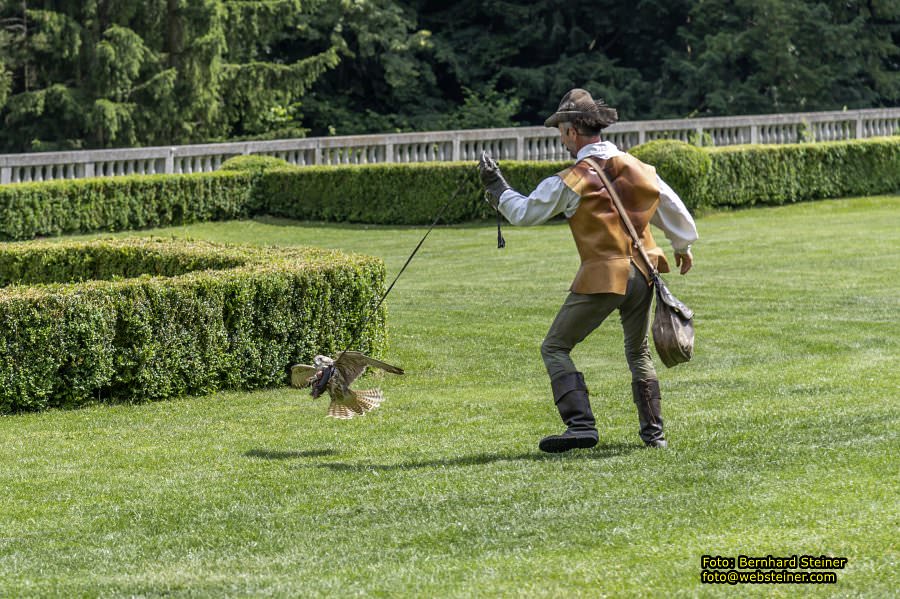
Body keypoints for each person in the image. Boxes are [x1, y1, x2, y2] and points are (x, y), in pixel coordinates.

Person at [478, 88, 698, 453]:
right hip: (646, 271)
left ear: (573, 130)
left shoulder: (572, 178)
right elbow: (672, 208)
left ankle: (581, 426)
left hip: (604, 275)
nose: (560, 138)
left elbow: (525, 213)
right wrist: (682, 247)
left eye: (560, 130)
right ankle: (654, 435)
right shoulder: (638, 167)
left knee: (555, 346)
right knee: (638, 353)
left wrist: (496, 187)